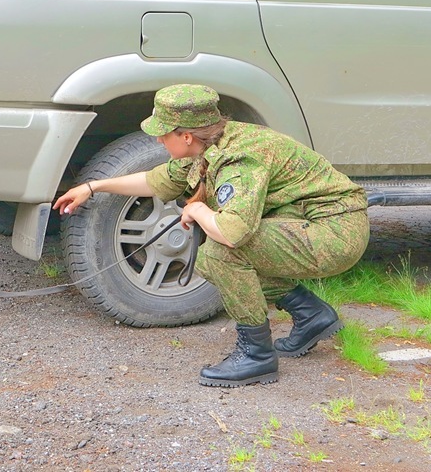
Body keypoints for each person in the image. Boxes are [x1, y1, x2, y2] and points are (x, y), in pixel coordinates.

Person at [53, 84, 369, 387]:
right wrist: (93, 187)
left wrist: (198, 212)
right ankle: (311, 314)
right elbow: (157, 181)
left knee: (221, 253)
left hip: (334, 232)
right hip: (304, 223)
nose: (160, 141)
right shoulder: (207, 146)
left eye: (163, 134)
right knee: (218, 256)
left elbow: (233, 233)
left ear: (186, 135)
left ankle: (256, 355)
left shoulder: (239, 159)